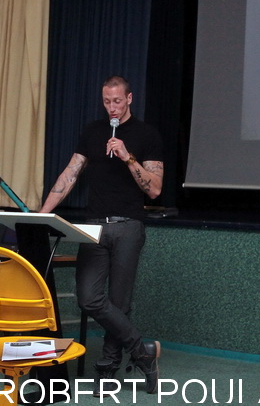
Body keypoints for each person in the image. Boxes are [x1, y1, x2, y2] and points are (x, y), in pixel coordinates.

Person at [40, 75, 164, 394]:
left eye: (117, 101)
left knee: (119, 303)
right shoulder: (93, 131)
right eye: (107, 101)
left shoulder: (146, 134)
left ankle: (108, 371)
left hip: (128, 226)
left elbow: (155, 189)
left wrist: (127, 157)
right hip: (93, 226)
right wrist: (41, 214)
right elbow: (69, 175)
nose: (112, 107)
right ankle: (142, 352)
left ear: (130, 99)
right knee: (89, 298)